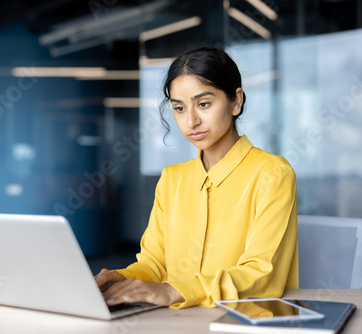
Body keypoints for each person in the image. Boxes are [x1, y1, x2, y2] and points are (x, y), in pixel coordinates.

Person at [95, 46, 298, 309]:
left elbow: (262, 274)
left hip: (242, 324)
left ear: (236, 101)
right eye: (179, 108)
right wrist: (120, 278)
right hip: (178, 322)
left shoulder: (272, 174)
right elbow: (155, 264)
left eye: (203, 104)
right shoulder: (171, 179)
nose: (190, 121)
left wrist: (173, 291)